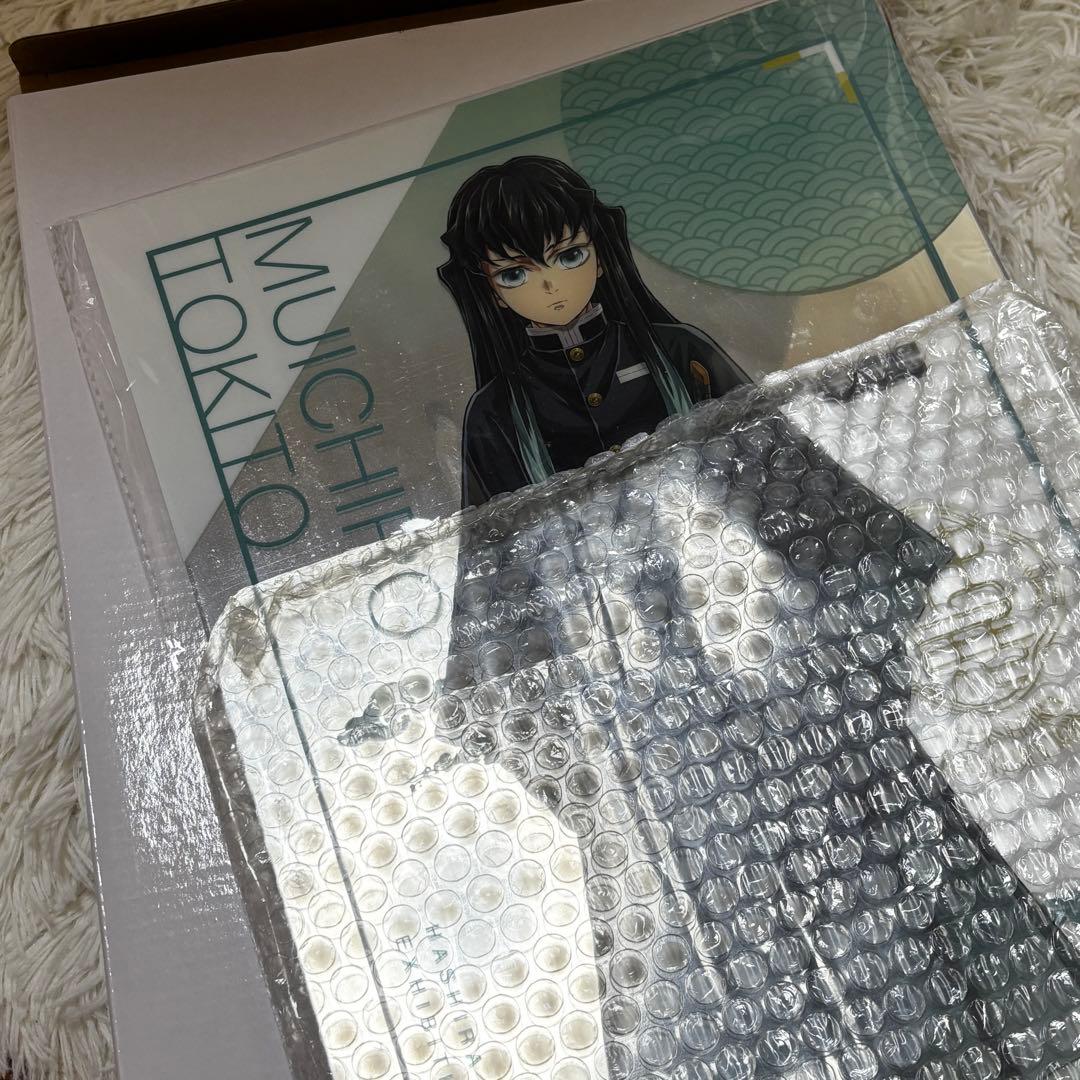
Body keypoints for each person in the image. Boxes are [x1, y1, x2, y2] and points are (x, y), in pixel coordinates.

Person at [438, 155, 749, 507]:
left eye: (569, 256)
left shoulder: (679, 350)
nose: (550, 285)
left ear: (599, 256)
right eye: (514, 274)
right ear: (493, 292)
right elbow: (492, 532)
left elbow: (767, 448)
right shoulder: (494, 411)